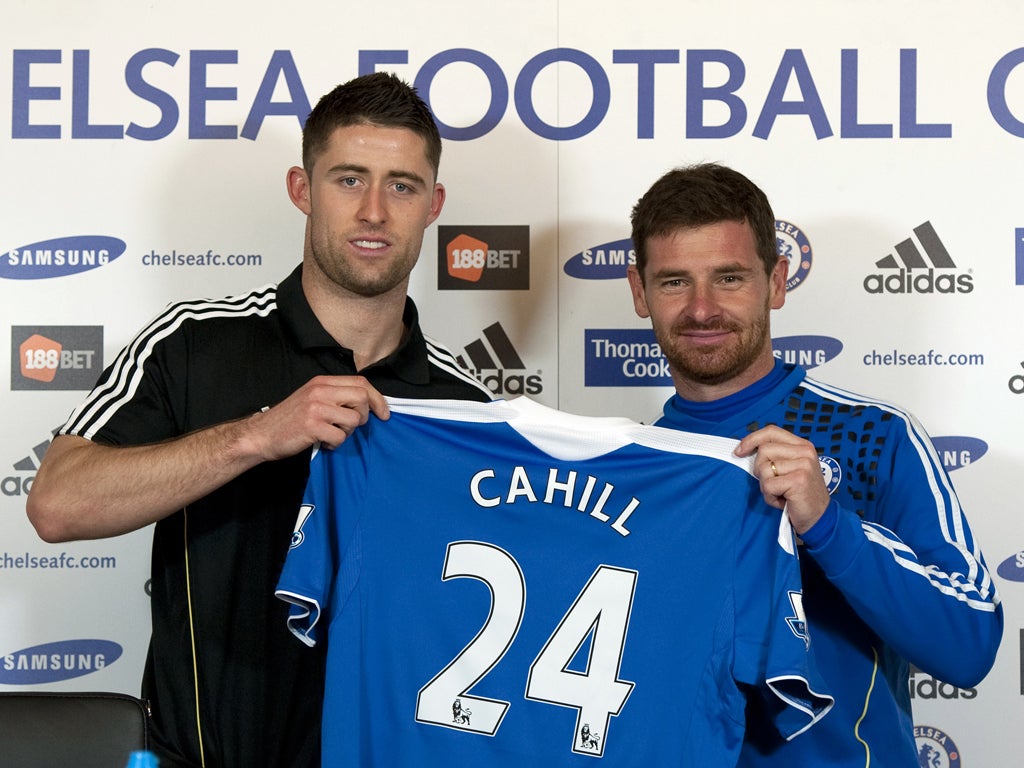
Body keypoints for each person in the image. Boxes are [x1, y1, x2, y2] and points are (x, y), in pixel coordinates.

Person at [26, 72, 491, 768]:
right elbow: (56, 505)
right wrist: (254, 436)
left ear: (434, 205)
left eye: (402, 185)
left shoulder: (469, 405)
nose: (373, 211)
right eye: (347, 179)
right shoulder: (193, 344)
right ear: (302, 190)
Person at [625, 162, 1002, 767]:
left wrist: (828, 524)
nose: (701, 309)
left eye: (729, 278)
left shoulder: (873, 436)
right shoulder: (634, 469)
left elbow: (969, 645)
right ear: (639, 292)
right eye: (674, 282)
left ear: (776, 282)